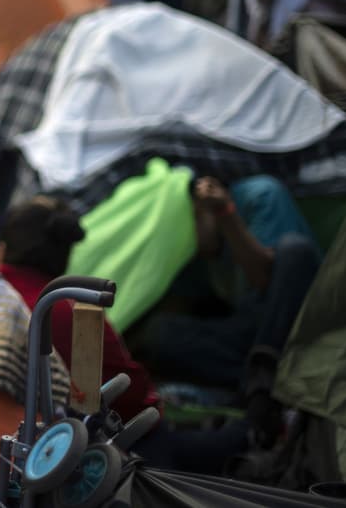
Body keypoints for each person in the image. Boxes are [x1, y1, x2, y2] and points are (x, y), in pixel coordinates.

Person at [0, 197, 250, 474]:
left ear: (1, 251)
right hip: (61, 458)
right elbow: (131, 399)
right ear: (66, 256)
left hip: (5, 450)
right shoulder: (71, 314)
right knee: (214, 445)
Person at [135, 174, 321, 448]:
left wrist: (225, 214)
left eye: (195, 218)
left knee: (295, 250)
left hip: (293, 319)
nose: (191, 230)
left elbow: (265, 282)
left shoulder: (259, 195)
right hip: (247, 336)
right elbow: (182, 304)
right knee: (159, 332)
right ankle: (257, 386)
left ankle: (258, 384)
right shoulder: (189, 246)